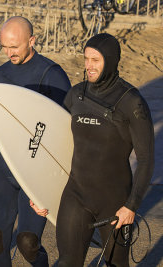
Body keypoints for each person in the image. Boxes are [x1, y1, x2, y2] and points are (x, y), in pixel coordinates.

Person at [0, 16, 71, 267]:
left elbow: (63, 133)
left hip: (35, 171)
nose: (9, 52)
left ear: (32, 41)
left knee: (27, 242)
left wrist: (48, 186)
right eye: (4, 46)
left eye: (15, 46)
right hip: (4, 168)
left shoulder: (52, 75)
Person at [56, 33, 155, 267]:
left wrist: (131, 206)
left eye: (95, 60)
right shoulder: (75, 95)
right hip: (76, 195)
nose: (88, 66)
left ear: (110, 61)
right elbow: (52, 142)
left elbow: (146, 159)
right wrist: (37, 190)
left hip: (114, 201)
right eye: (86, 59)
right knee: (67, 262)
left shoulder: (131, 102)